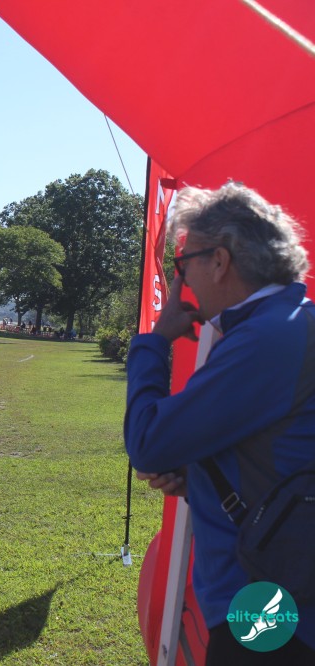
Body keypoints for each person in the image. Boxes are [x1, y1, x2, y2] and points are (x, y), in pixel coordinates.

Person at [125, 183, 315, 664]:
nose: (183, 281)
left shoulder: (266, 339)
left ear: (219, 261)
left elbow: (147, 442)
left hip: (266, 599)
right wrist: (200, 482)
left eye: (183, 264)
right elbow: (279, 456)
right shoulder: (290, 323)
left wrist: (154, 341)